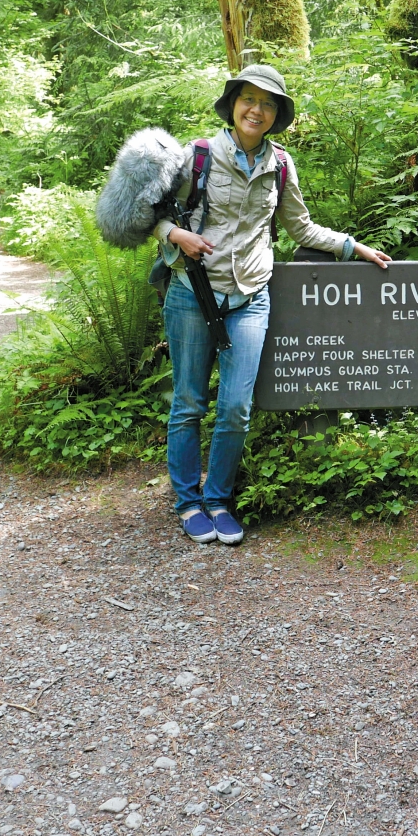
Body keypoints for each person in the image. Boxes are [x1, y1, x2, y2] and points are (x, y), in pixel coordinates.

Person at [155, 64, 391, 545]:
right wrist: (177, 234)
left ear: (276, 113)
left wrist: (354, 247)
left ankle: (218, 499)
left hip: (250, 296)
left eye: (266, 103)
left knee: (237, 405)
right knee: (188, 403)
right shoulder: (196, 156)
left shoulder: (279, 165)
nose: (255, 109)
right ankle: (187, 502)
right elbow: (150, 213)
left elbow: (301, 228)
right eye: (248, 99)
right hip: (191, 293)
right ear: (233, 104)